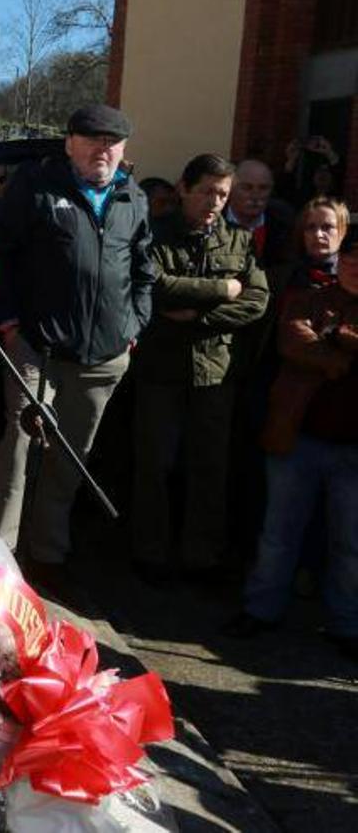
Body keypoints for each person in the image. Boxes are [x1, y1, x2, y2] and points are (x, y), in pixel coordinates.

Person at [0, 104, 154, 576]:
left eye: (111, 142)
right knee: (17, 450)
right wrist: (12, 321)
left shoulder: (131, 197)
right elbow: (1, 255)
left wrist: (133, 327)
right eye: (92, 139)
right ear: (70, 143)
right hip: (37, 347)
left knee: (71, 458)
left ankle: (48, 554)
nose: (103, 149)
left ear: (123, 149)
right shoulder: (36, 188)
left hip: (104, 357)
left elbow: (144, 267)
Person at [130, 154, 268, 583]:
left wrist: (201, 317)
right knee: (155, 464)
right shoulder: (156, 235)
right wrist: (221, 289)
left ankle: (201, 557)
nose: (214, 201)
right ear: (184, 188)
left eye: (222, 194)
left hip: (215, 373)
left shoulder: (237, 242)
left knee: (209, 467)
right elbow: (155, 285)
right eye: (207, 190)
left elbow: (257, 301)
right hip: (161, 371)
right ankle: (148, 553)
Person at [225, 222, 358, 662]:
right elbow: (293, 341)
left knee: (350, 541)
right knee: (279, 532)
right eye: (351, 259)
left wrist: (336, 336)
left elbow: (319, 344)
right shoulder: (309, 296)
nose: (355, 267)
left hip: (352, 448)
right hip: (298, 438)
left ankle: (346, 624)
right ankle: (260, 609)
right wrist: (340, 355)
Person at [226, 158, 294, 269]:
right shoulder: (212, 219)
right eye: (247, 188)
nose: (255, 196)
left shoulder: (284, 221)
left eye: (263, 188)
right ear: (230, 188)